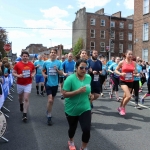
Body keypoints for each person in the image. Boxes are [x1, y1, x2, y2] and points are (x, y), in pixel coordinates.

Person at [62, 59, 94, 150]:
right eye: (81, 68)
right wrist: (77, 91)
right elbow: (64, 94)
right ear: (76, 68)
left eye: (86, 68)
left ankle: (83, 148)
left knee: (86, 129)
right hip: (72, 109)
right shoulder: (70, 79)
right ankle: (71, 140)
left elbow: (88, 90)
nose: (84, 70)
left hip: (85, 107)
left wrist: (90, 95)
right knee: (72, 128)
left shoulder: (88, 77)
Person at [13, 51, 35, 121]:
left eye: (26, 56)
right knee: (20, 98)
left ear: (28, 57)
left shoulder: (31, 64)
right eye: (24, 56)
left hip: (28, 83)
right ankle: (21, 104)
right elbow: (13, 72)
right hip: (20, 83)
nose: (25, 57)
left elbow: (34, 71)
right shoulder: (18, 64)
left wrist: (33, 75)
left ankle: (24, 114)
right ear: (21, 57)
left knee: (26, 98)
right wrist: (18, 75)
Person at [42, 49, 63, 125]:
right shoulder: (46, 62)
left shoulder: (59, 62)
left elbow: (61, 73)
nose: (53, 54)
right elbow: (43, 70)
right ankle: (49, 116)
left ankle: (48, 110)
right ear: (49, 54)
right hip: (48, 83)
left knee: (52, 100)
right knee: (50, 100)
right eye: (51, 52)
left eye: (54, 53)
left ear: (56, 54)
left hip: (55, 84)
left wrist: (57, 70)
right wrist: (44, 75)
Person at [115, 50, 137, 116]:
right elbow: (116, 70)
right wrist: (121, 73)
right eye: (129, 54)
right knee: (129, 96)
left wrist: (135, 72)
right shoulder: (122, 62)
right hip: (123, 81)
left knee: (125, 96)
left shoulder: (134, 63)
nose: (130, 56)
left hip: (130, 81)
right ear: (125, 54)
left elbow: (135, 71)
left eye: (131, 54)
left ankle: (119, 107)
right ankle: (123, 108)